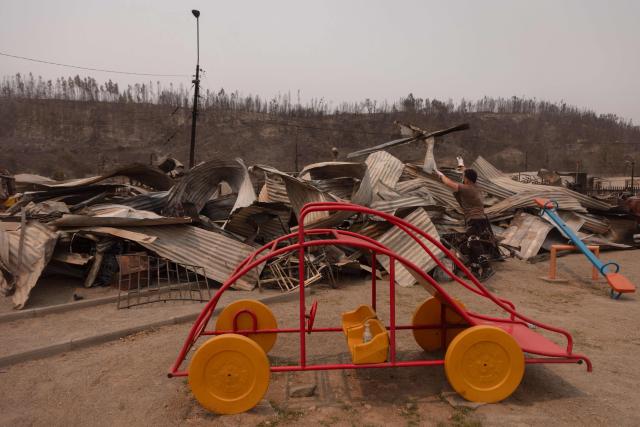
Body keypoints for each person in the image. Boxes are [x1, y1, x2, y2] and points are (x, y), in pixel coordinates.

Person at [435, 159, 496, 280]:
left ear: (467, 179)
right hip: (478, 219)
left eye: (464, 177)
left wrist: (439, 174)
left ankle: (487, 268)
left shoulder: (467, 188)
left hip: (476, 219)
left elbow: (449, 183)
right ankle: (474, 271)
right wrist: (461, 164)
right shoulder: (474, 186)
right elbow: (467, 172)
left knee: (473, 241)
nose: (462, 178)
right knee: (470, 243)